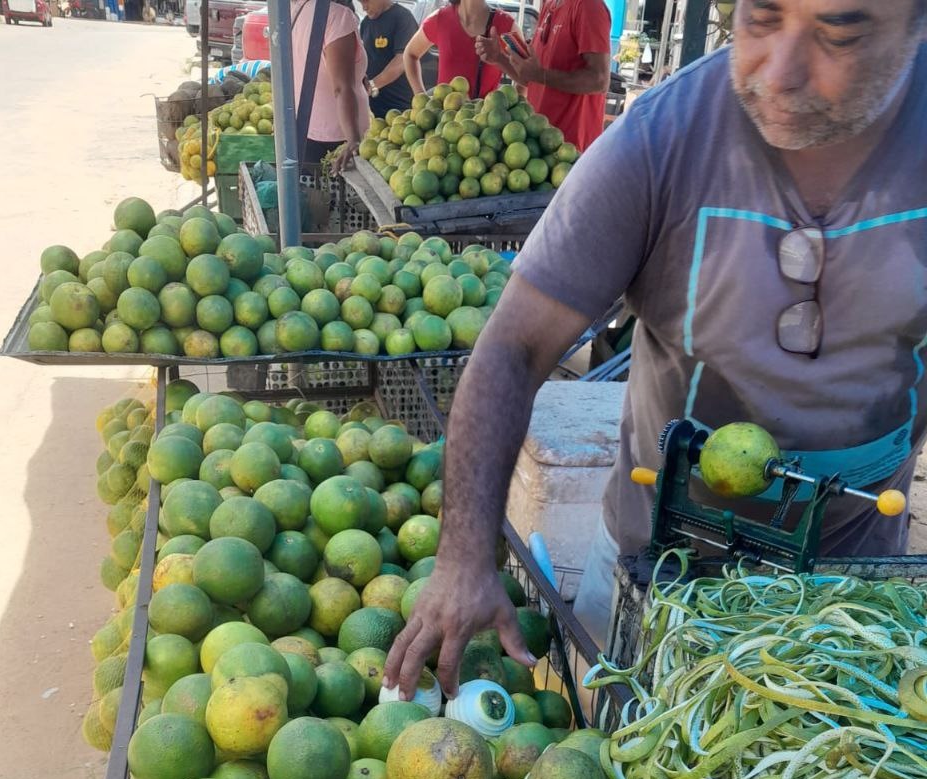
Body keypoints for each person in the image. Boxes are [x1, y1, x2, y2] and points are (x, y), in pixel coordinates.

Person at [383, 0, 927, 701]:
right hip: (654, 572)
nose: (780, 72)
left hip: (853, 592)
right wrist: (463, 558)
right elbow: (512, 347)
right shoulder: (661, 140)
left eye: (840, 32)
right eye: (761, 18)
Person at [475, 0, 612, 151]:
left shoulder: (588, 6)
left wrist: (540, 75)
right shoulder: (549, 5)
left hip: (571, 149)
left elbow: (600, 80)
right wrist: (498, 58)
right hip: (540, 144)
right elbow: (532, 78)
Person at [291, 0, 370, 170]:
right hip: (338, 141)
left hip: (306, 132)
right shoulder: (338, 16)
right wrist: (354, 140)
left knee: (312, 186)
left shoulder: (297, 11)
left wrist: (359, 75)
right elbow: (341, 88)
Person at [403, 0, 520, 99]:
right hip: (444, 117)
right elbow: (410, 54)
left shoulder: (506, 25)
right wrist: (420, 97)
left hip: (487, 117)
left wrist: (514, 108)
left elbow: (525, 76)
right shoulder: (440, 19)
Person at [360, 0, 419, 116]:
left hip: (400, 107)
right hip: (374, 107)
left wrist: (372, 86)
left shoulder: (402, 18)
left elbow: (402, 60)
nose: (364, 8)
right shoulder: (365, 23)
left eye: (366, 1)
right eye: (360, 2)